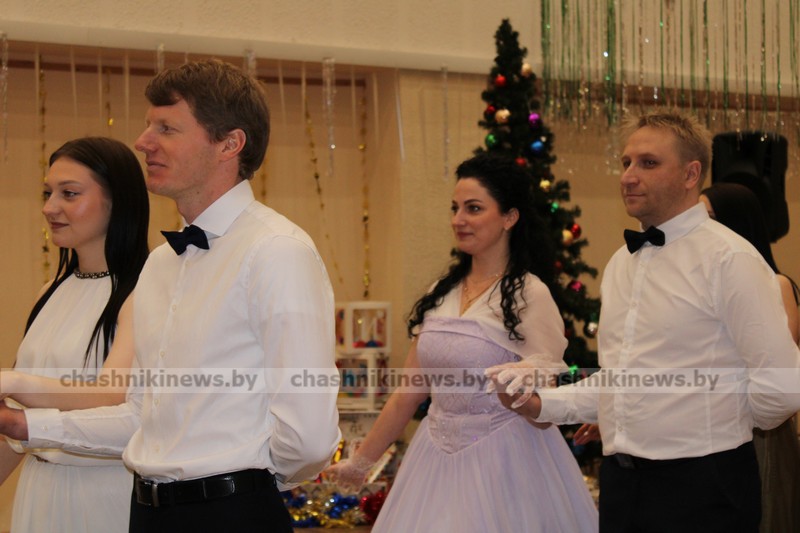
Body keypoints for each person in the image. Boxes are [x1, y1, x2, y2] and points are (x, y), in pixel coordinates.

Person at [0, 59, 340, 533]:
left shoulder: (276, 251)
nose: (143, 141)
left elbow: (309, 435)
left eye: (166, 128)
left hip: (230, 513)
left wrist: (244, 482)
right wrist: (25, 427)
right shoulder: (161, 264)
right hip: (148, 513)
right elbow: (140, 418)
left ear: (229, 144)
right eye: (148, 126)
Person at [487, 110, 800, 532]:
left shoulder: (731, 259)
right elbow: (620, 381)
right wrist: (541, 404)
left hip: (704, 484)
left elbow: (781, 387)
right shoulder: (621, 263)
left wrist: (722, 421)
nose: (629, 176)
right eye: (626, 162)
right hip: (623, 483)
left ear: (691, 174)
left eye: (648, 163)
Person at [325, 153, 598, 532]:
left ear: (509, 217)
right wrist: (360, 463)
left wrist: (524, 391)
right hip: (433, 463)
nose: (458, 219)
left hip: (508, 468)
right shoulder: (441, 292)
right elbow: (408, 394)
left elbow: (546, 410)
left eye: (473, 208)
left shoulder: (530, 295)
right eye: (455, 208)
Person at [0, 136, 150, 532]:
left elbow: (113, 393)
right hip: (38, 488)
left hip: (101, 493)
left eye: (69, 193)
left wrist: (14, 381)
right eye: (48, 193)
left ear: (117, 201)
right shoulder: (49, 292)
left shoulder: (144, 291)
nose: (50, 208)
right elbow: (15, 424)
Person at [700, 182, 800, 533]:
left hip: (760, 427)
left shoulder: (777, 283)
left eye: (709, 217)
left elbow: (773, 360)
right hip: (713, 424)